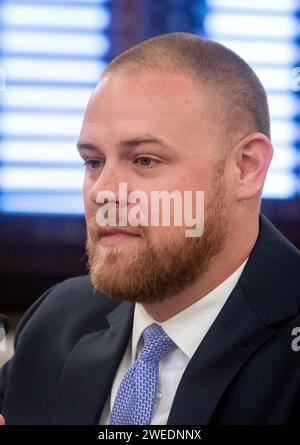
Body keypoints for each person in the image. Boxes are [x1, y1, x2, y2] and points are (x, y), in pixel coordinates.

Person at [0, 32, 299, 425]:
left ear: (246, 168)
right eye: (93, 162)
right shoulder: (56, 322)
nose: (103, 192)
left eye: (143, 160)